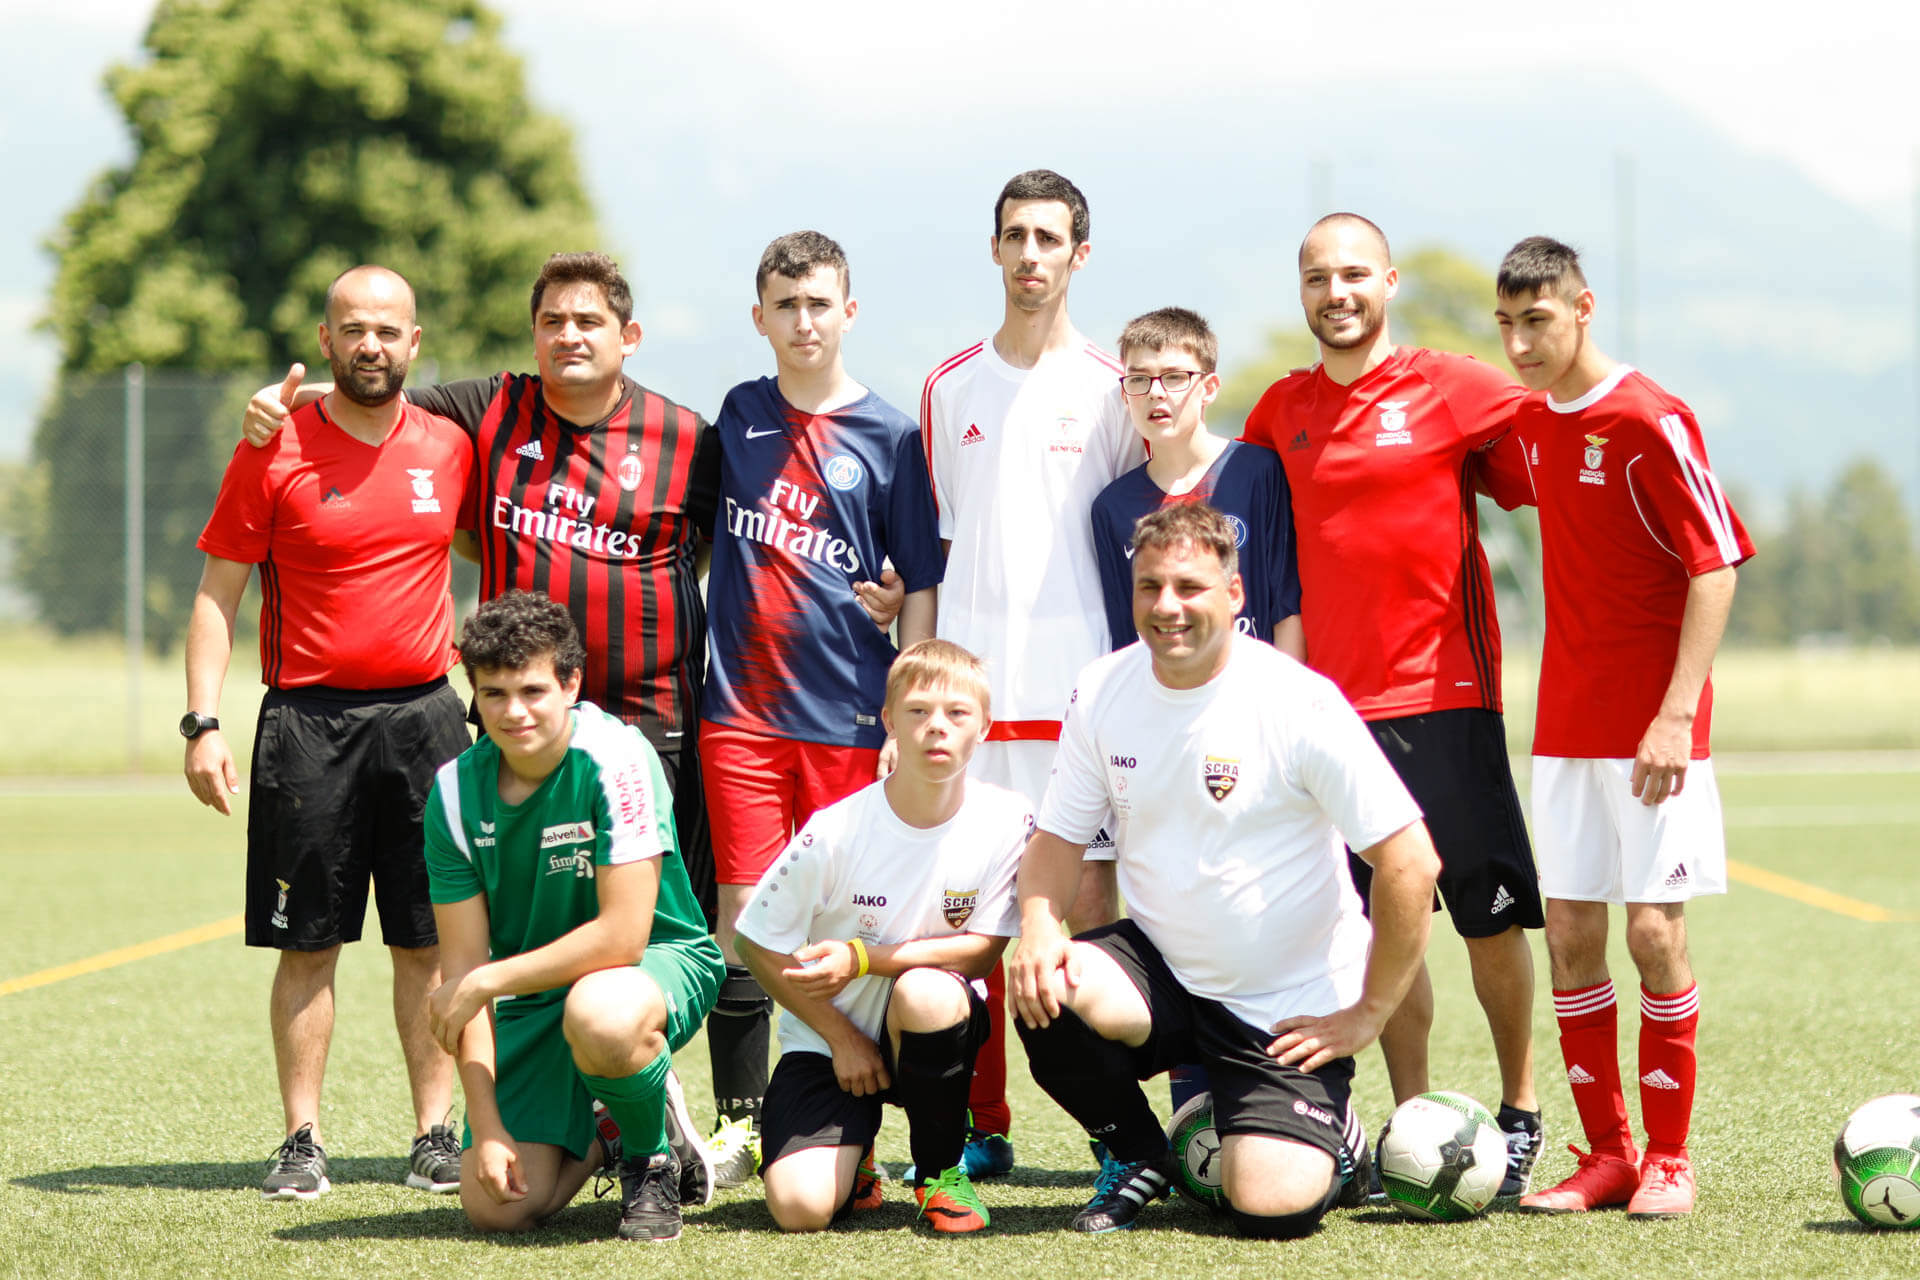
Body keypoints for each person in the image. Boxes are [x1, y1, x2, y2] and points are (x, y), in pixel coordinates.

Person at [240, 252, 792, 1184]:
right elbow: (370, 400)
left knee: (668, 930)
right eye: (552, 322)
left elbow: (723, 552)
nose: (569, 336)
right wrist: (272, 413)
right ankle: (599, 1118)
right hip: (521, 733)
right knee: (532, 932)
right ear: (533, 334)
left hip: (652, 723)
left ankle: (716, 1118)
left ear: (630, 335)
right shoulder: (489, 410)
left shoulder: (686, 437)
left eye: (589, 321)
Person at [1009, 502, 1440, 1238]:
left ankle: (1339, 1136)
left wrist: (1367, 1011)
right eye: (1150, 587)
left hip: (1285, 1005)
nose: (1166, 607)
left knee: (1269, 1210)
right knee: (1043, 981)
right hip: (1165, 976)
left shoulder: (1298, 702)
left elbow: (1410, 862)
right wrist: (1038, 927)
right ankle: (1140, 1154)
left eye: (1189, 587)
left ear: (1234, 596)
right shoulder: (1103, 689)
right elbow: (1056, 840)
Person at [1240, 213, 1546, 1195]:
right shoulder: (1275, 412)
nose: (1338, 291)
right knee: (1377, 927)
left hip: (1444, 699)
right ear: (1303, 290)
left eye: (1355, 274)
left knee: (1485, 919)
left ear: (1390, 282)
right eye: (1319, 276)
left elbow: (1558, 447)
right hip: (1323, 716)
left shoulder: (1455, 384)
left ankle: (1521, 1107)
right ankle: (1410, 1119)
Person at [184, 265, 472, 1200]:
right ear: (326, 336)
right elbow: (216, 596)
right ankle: (301, 1138)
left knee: (427, 941)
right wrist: (203, 722)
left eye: (388, 330)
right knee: (308, 942)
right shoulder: (271, 449)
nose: (371, 346)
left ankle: (434, 1134)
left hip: (429, 719)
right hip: (307, 723)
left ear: (414, 343)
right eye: (353, 329)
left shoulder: (447, 447)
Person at [1491, 236, 1752, 1218]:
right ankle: (1607, 1155)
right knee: (1569, 935)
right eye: (1508, 325)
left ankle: (1671, 1159)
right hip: (1562, 726)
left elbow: (1715, 562)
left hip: (1654, 730)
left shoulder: (1652, 417)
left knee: (1651, 932)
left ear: (1584, 307)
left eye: (1539, 321)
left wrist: (1677, 712)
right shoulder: (1526, 426)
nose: (1521, 344)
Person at [691, 230, 944, 1180]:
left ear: (849, 311)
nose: (804, 320)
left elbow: (917, 584)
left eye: (819, 303)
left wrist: (906, 714)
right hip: (742, 718)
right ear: (760, 318)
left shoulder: (892, 436)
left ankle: (899, 1125)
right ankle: (745, 1118)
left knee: (861, 928)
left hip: (847, 722)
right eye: (785, 305)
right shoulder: (741, 413)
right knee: (748, 924)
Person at [918, 169, 1144, 1175]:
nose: (1031, 254)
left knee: (1087, 916)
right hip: (971, 707)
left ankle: (1114, 1134)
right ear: (996, 247)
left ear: (1079, 255)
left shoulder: (1112, 386)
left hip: (1080, 706)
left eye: (1050, 238)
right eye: (1015, 235)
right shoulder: (949, 385)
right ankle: (982, 1123)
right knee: (965, 918)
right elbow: (935, 546)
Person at [422, 590, 725, 1242]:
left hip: (652, 964)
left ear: (571, 683)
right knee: (493, 1206)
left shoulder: (616, 757)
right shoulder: (452, 795)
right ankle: (613, 1121)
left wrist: (485, 983)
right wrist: (489, 1124)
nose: (514, 711)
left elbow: (622, 936)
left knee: (602, 1013)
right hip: (532, 995)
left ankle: (650, 1160)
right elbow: (465, 971)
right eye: (494, 694)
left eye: (532, 690)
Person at [734, 639, 1030, 1235]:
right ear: (890, 721)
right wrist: (842, 1038)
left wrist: (864, 957)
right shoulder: (837, 830)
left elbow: (984, 948)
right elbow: (755, 943)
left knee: (928, 992)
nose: (936, 728)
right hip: (830, 1046)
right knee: (799, 1210)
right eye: (918, 712)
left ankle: (937, 1173)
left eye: (957, 713)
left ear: (984, 727)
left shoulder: (1009, 819)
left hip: (926, 1025)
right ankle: (856, 1154)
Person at [1092, 306, 1302, 657]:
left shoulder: (1257, 472)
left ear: (1209, 388)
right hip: (1165, 702)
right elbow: (1125, 641)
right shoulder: (1112, 507)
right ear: (1125, 395)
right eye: (1139, 379)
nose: (1156, 393)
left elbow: (1287, 611)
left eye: (1174, 377)